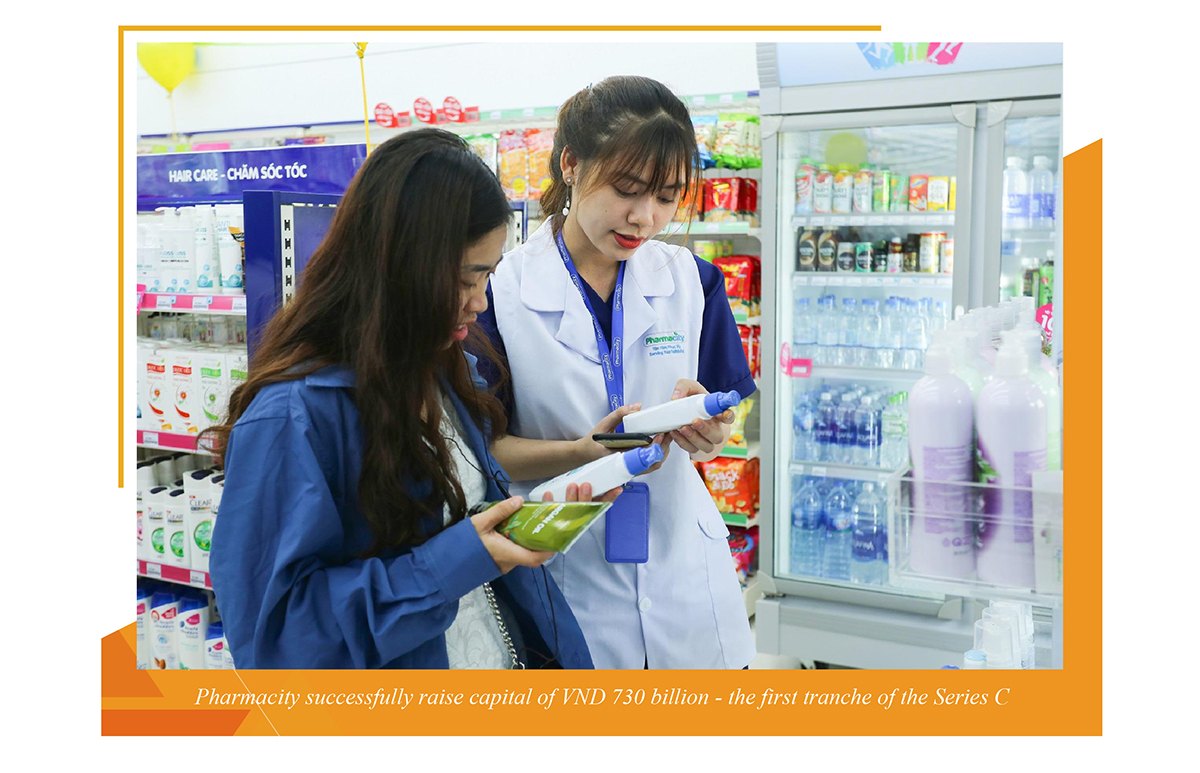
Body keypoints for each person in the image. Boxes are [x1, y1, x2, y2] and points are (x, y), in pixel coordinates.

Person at [204, 129, 596, 669]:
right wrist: (456, 561)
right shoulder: (291, 417)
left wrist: (521, 520)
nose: (480, 302)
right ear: (400, 266)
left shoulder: (436, 369)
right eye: (466, 279)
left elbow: (454, 525)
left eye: (487, 276)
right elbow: (277, 638)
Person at [476, 76, 757, 669]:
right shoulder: (499, 291)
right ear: (571, 165)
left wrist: (710, 433)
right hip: (567, 569)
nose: (644, 217)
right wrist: (583, 452)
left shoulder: (695, 282)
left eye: (667, 197)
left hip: (684, 574)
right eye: (626, 190)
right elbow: (485, 451)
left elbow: (722, 420)